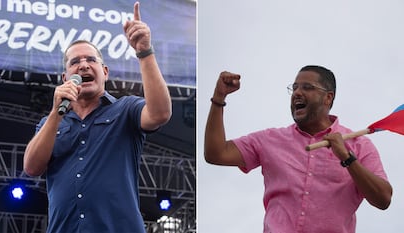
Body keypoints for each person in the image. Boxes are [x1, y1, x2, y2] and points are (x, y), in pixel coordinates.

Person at [23, 2, 171, 233]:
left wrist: (144, 52)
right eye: (75, 62)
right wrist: (55, 114)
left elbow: (160, 113)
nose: (83, 65)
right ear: (65, 78)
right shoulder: (50, 124)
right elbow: (31, 168)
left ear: (104, 71)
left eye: (91, 60)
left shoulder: (125, 110)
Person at [204, 65, 392, 233]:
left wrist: (347, 158)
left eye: (307, 88)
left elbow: (383, 199)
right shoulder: (269, 139)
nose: (297, 93)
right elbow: (216, 153)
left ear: (328, 97)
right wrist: (219, 97)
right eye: (294, 88)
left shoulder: (358, 145)